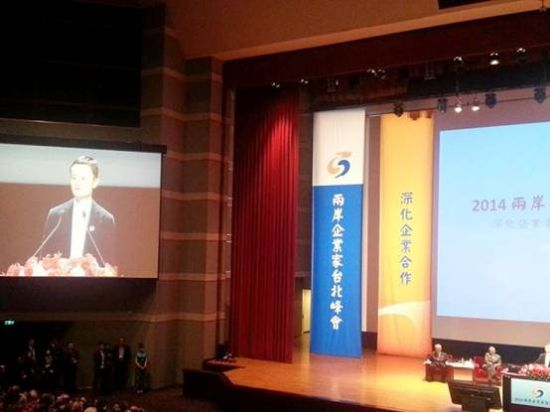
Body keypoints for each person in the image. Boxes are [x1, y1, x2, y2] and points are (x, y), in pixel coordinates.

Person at [38, 156, 115, 266]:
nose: (77, 183)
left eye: (83, 178)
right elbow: (44, 257)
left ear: (95, 182)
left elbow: (108, 263)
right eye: (74, 178)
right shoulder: (56, 215)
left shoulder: (105, 219)